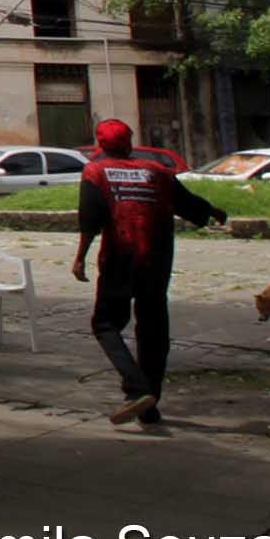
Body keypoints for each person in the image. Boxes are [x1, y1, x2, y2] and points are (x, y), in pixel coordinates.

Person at [74, 117, 228, 425]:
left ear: (100, 144)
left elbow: (90, 220)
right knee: (154, 330)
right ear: (130, 141)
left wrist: (79, 259)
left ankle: (137, 388)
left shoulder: (95, 171)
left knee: (105, 323)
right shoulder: (157, 172)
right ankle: (150, 406)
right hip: (156, 261)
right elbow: (189, 203)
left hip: (119, 258)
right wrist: (213, 211)